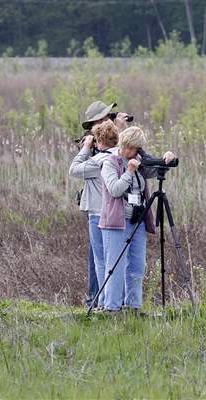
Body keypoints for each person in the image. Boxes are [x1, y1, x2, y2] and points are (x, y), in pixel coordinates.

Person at [98, 126, 175, 313]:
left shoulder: (139, 160)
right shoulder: (110, 163)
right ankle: (112, 308)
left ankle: (133, 306)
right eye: (131, 148)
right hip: (116, 222)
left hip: (137, 220)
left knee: (137, 265)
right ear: (124, 145)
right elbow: (115, 190)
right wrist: (129, 172)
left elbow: (154, 171)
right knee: (115, 265)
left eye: (137, 149)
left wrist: (165, 160)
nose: (133, 152)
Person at [72, 99, 129, 306]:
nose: (111, 120)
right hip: (98, 208)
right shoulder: (94, 145)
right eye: (107, 118)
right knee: (100, 258)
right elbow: (112, 155)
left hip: (109, 208)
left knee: (105, 256)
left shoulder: (103, 143)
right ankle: (97, 299)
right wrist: (119, 132)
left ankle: (105, 300)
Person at [69, 119, 118, 309]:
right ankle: (115, 301)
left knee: (100, 260)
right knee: (114, 259)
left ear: (98, 141)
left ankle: (104, 302)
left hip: (98, 213)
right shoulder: (119, 157)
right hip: (116, 214)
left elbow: (74, 170)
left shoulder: (98, 161)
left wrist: (86, 148)